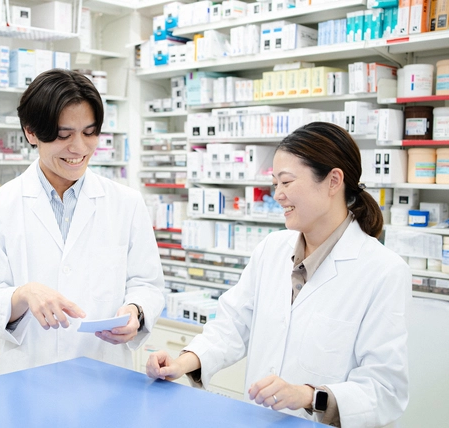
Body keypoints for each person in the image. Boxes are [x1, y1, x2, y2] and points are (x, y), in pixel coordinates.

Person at [146, 122, 411, 427]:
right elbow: (232, 326)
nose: (277, 195)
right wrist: (182, 363)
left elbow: (386, 389)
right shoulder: (271, 249)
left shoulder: (383, 271)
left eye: (286, 182)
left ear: (333, 181)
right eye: (275, 184)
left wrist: (309, 396)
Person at [0, 69, 165, 374]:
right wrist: (23, 295)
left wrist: (136, 311)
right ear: (31, 132)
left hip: (105, 375)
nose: (80, 148)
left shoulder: (126, 203)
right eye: (64, 135)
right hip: (29, 376)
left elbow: (147, 284)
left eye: (89, 133)